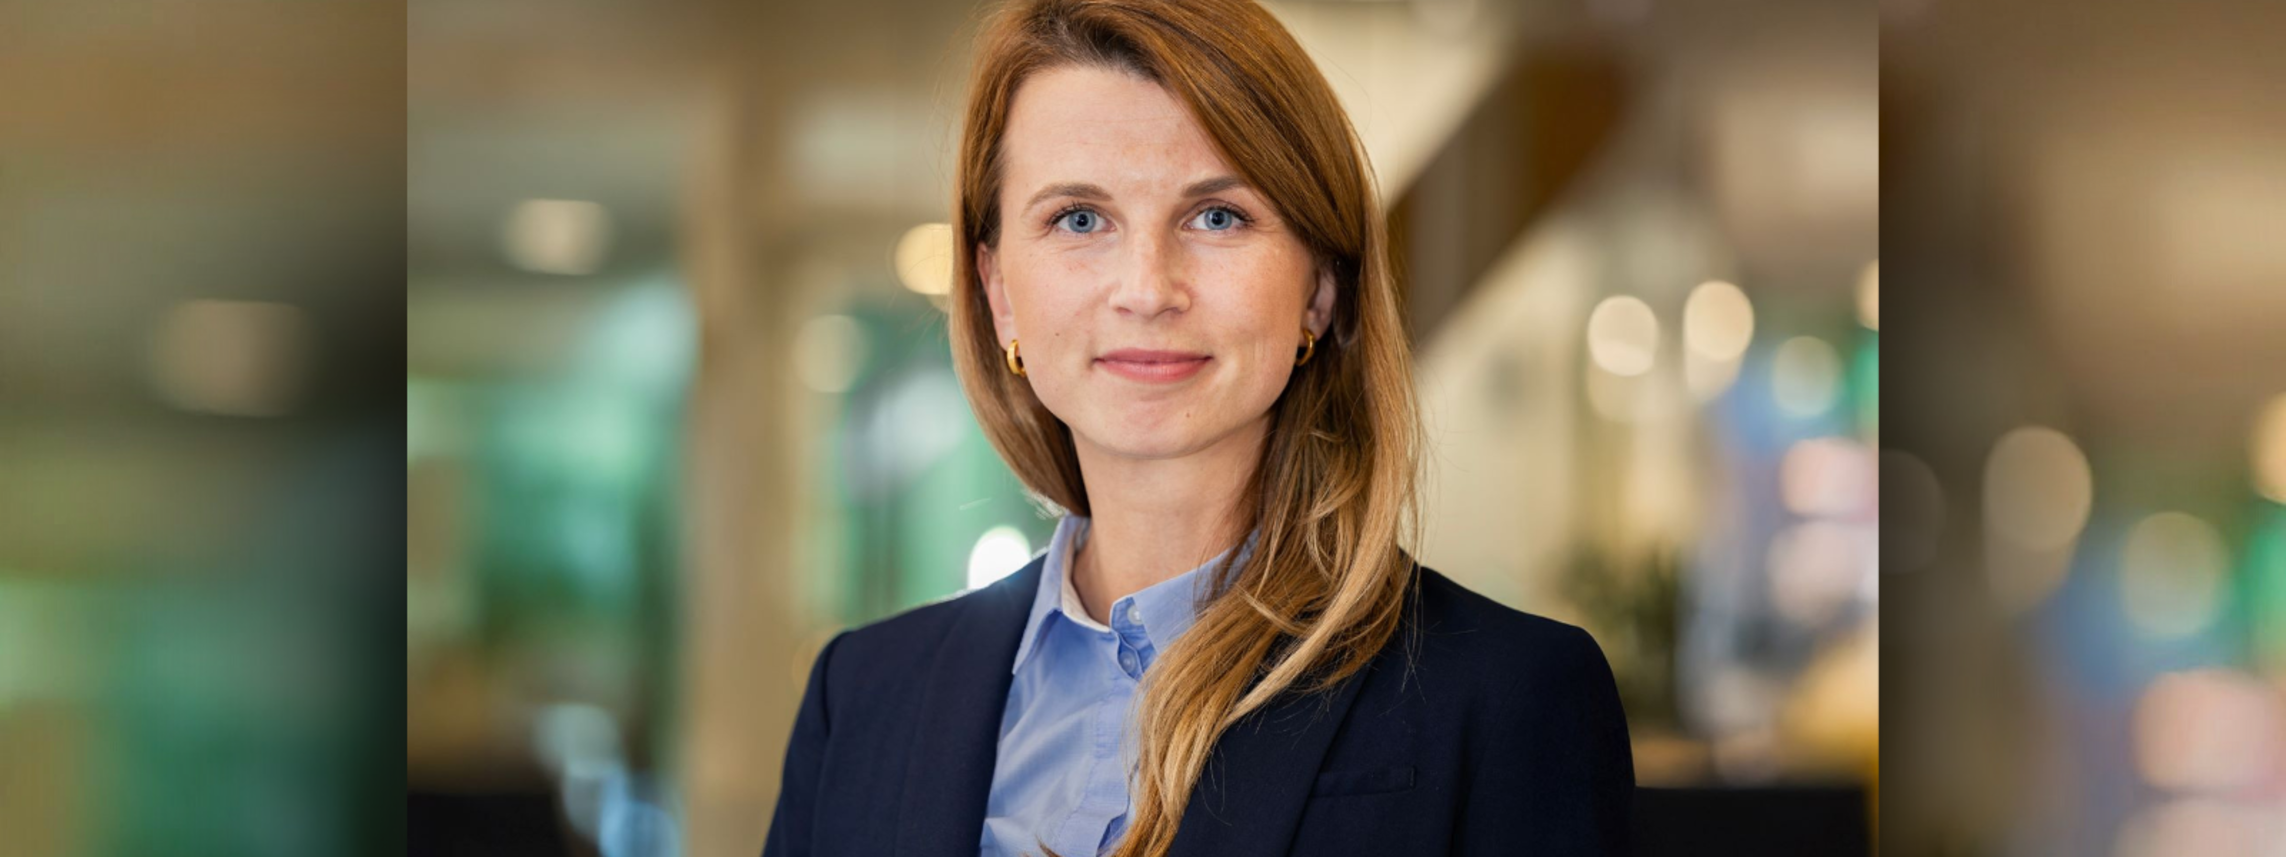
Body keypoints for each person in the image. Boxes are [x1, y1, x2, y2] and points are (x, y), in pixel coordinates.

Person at [761, 0, 1632, 854]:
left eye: (1218, 216)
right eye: (1079, 218)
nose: (1147, 288)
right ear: (998, 292)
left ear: (1319, 287)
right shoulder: (860, 699)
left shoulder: (1506, 696)